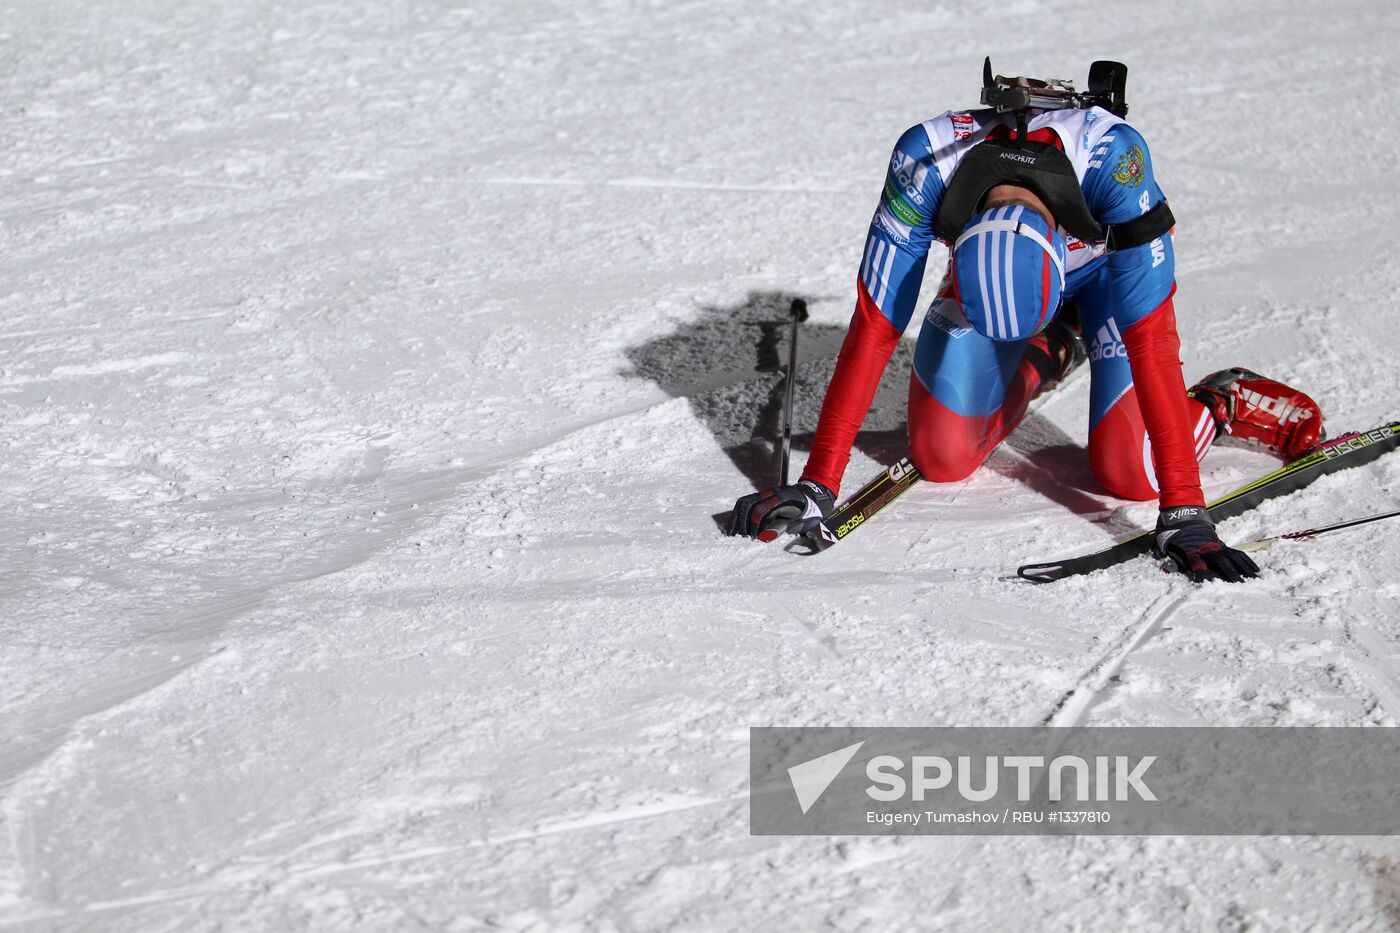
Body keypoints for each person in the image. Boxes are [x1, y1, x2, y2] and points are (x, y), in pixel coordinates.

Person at [726, 64, 1323, 582]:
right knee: (942, 456)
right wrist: (818, 484)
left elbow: (1151, 336)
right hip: (992, 284)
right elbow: (877, 323)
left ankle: (1224, 400)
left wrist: (1184, 509)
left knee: (1129, 473)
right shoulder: (925, 160)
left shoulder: (1114, 160)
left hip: (1104, 281)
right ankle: (1052, 342)